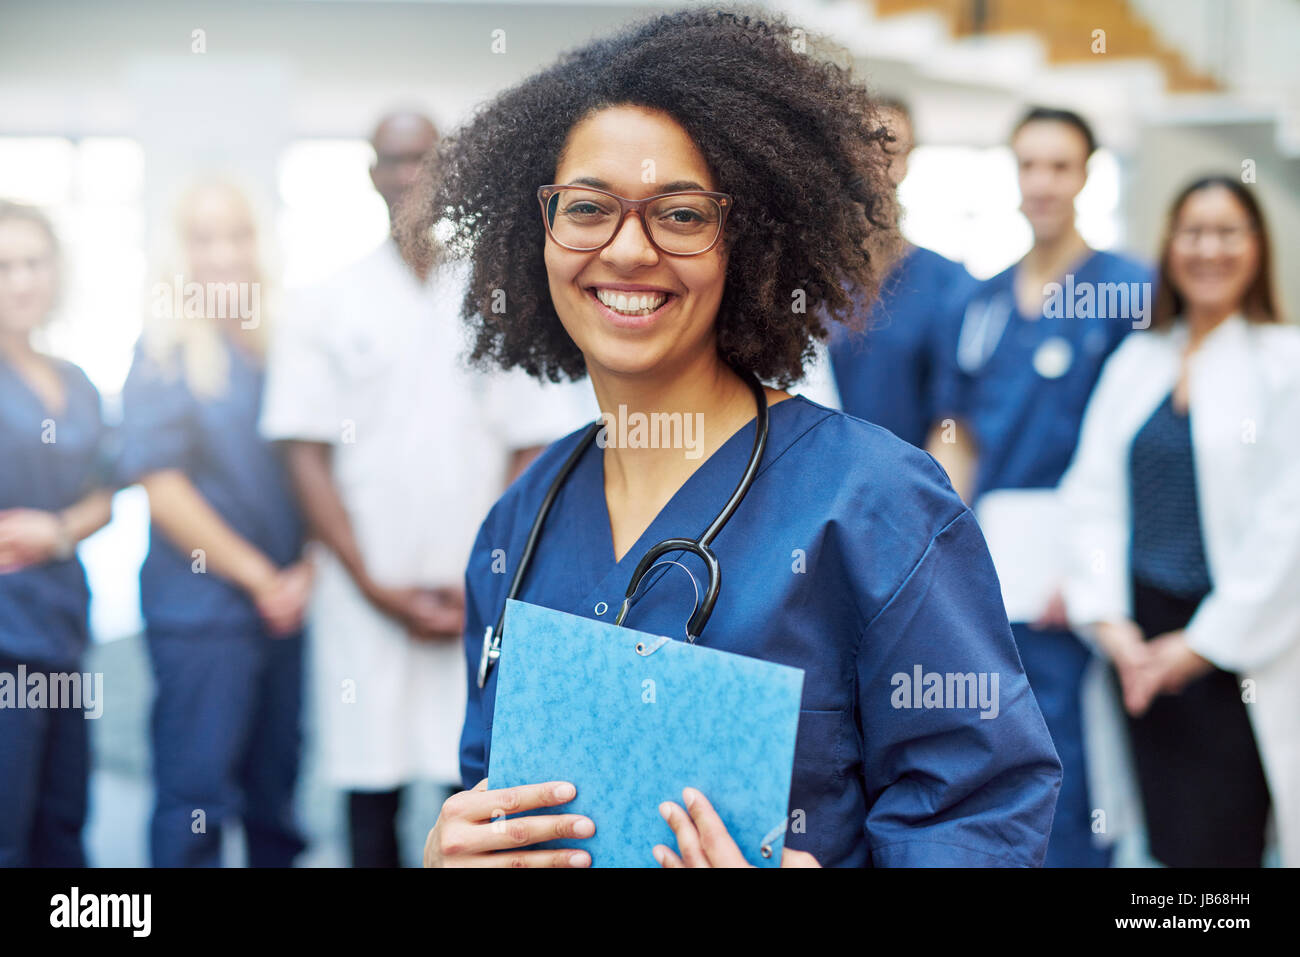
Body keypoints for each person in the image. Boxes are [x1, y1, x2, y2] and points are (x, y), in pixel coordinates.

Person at [407, 7, 1061, 869]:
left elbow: (984, 820)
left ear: (750, 244)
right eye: (588, 207)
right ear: (540, 234)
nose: (627, 249)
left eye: (679, 214)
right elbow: (492, 791)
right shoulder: (516, 530)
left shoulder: (876, 505)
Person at [260, 112, 590, 868]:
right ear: (371, 173)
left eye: (423, 159)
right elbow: (303, 452)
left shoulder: (498, 296)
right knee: (369, 788)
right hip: (363, 592)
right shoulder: (325, 301)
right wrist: (377, 586)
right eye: (392, 160)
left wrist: (481, 573)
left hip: (476, 592)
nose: (408, 174)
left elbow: (530, 441)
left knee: (469, 783)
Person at [928, 107, 1152, 868]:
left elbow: (1140, 443)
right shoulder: (980, 302)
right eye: (1029, 165)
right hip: (995, 548)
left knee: (1071, 736)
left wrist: (1089, 572)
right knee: (993, 730)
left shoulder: (1126, 290)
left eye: (1060, 166)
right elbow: (957, 426)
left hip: (1081, 547)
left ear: (1087, 174)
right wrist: (945, 537)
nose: (1042, 183)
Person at [1060, 176, 1298, 867]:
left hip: (1236, 650)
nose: (1209, 249)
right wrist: (1113, 625)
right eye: (1193, 231)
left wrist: (1199, 646)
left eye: (1229, 232)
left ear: (1257, 247)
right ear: (1169, 246)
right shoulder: (1140, 359)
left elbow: (1290, 524)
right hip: (1140, 642)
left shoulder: (1285, 364)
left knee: (1223, 847)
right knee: (1161, 841)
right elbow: (1093, 491)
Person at [118, 180, 311, 868]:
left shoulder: (283, 344)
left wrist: (306, 573)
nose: (224, 253)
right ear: (180, 252)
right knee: (195, 799)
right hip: (203, 610)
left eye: (238, 234)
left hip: (287, 608)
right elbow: (162, 489)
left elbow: (317, 469)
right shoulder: (164, 352)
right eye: (204, 238)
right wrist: (264, 579)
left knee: (277, 800)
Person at [0, 201, 113, 867]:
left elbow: (105, 496)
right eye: (3, 265)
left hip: (62, 626)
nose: (20, 280)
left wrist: (56, 529)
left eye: (33, 263)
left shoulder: (76, 382)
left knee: (64, 820)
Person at [827, 97, 976, 446]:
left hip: (911, 484)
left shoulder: (949, 284)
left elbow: (952, 421)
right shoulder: (810, 285)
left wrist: (933, 499)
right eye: (861, 146)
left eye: (889, 147)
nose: (875, 162)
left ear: (908, 160)